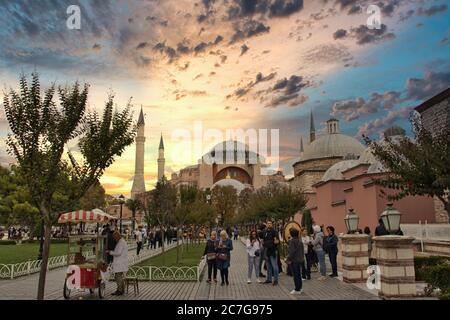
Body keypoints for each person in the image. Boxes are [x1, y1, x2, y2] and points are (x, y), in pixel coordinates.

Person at [107, 231, 129, 296]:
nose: (114, 239)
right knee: (119, 276)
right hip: (120, 262)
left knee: (118, 276)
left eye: (115, 237)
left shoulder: (121, 242)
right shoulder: (120, 241)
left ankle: (119, 290)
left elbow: (118, 253)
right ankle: (121, 289)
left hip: (120, 262)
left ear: (118, 236)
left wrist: (110, 252)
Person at [286, 228, 304, 294]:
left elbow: (291, 252)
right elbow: (302, 251)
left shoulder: (292, 241)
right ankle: (300, 287)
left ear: (291, 234)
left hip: (294, 260)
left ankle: (297, 289)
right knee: (299, 274)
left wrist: (288, 259)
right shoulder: (300, 241)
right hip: (300, 260)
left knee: (296, 275)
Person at [262, 220, 280, 285]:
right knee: (268, 266)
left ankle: (276, 280)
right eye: (268, 223)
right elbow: (263, 240)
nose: (269, 224)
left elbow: (277, 241)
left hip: (273, 250)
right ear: (266, 225)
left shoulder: (275, 232)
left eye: (270, 223)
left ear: (272, 224)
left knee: (274, 266)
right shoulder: (264, 232)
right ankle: (269, 279)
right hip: (266, 250)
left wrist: (276, 241)